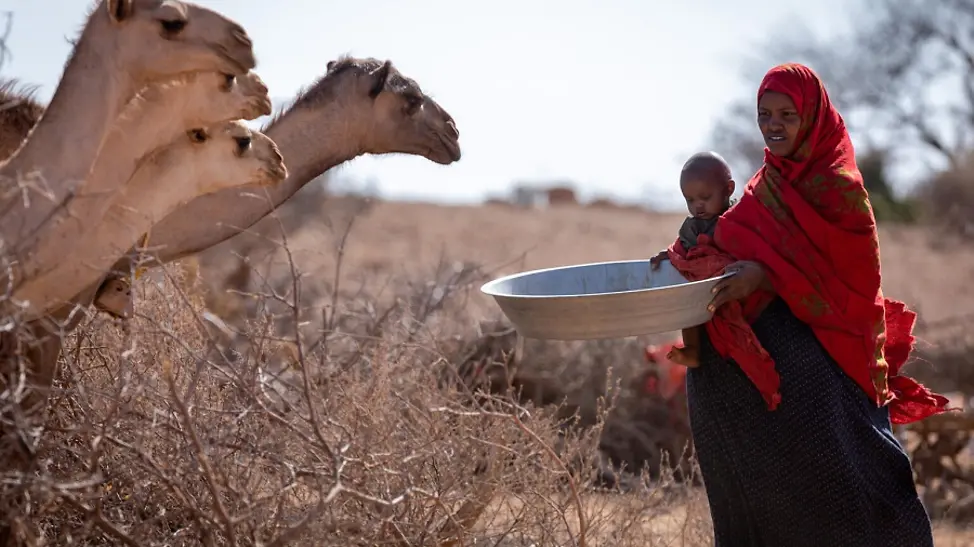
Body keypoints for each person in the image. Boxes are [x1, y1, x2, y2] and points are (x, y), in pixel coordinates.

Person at [676, 62, 950, 546]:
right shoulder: (765, 186)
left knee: (841, 465)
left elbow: (852, 281)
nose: (774, 125)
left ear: (813, 116)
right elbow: (728, 238)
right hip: (767, 348)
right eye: (765, 114)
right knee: (715, 397)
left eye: (787, 114)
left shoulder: (838, 188)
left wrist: (766, 275)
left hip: (830, 348)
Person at [650, 151, 738, 369]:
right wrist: (668, 255)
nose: (698, 205)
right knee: (686, 306)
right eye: (690, 200)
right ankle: (692, 350)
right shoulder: (693, 226)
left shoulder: (737, 219)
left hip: (732, 290)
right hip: (700, 294)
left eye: (705, 198)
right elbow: (681, 249)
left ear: (728, 189)